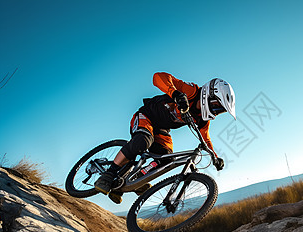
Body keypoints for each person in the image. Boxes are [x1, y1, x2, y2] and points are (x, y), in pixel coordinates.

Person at [94, 72, 236, 203]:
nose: (216, 112)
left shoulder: (202, 120)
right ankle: (108, 174)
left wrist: (214, 157)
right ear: (209, 95)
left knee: (167, 158)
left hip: (161, 130)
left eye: (221, 110)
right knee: (142, 141)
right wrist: (175, 94)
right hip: (146, 116)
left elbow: (205, 138)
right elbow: (158, 77)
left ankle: (135, 181)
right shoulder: (191, 91)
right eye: (217, 106)